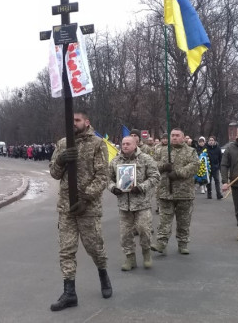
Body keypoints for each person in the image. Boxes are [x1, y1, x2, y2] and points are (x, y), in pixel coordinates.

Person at [49, 110, 112, 312]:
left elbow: (103, 176)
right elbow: (54, 173)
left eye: (77, 120)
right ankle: (69, 293)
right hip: (66, 208)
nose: (73, 123)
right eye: (71, 120)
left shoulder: (97, 144)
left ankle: (103, 274)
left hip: (88, 207)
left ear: (87, 122)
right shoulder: (62, 144)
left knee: (94, 247)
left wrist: (86, 197)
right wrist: (61, 160)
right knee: (66, 250)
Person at [108, 136, 160, 271]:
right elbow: (107, 178)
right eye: (123, 143)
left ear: (135, 144)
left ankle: (146, 254)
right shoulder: (115, 161)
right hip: (124, 204)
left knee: (144, 230)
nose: (125, 146)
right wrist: (113, 188)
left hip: (142, 203)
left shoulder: (145, 159)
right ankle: (130, 258)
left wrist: (141, 187)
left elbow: (155, 176)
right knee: (125, 233)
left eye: (128, 144)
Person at [151, 128, 199, 255]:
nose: (174, 138)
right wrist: (163, 166)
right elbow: (152, 164)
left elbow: (194, 166)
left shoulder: (190, 151)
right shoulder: (161, 150)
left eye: (177, 135)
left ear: (183, 138)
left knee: (183, 220)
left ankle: (183, 243)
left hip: (184, 192)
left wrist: (178, 173)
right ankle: (161, 243)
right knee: (164, 220)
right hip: (165, 191)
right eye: (172, 135)